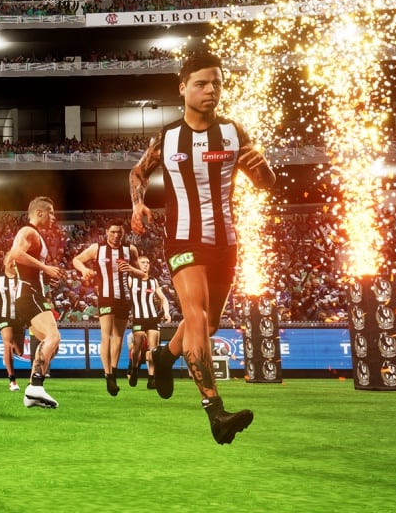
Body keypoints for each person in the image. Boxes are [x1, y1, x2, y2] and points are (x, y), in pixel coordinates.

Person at [130, 50, 276, 444]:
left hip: (225, 242)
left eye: (216, 83)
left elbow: (266, 183)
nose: (211, 90)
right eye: (201, 83)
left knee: (209, 324)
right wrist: (137, 203)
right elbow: (138, 173)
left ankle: (165, 356)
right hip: (182, 239)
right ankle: (215, 411)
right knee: (195, 317)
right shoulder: (168, 137)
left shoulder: (234, 132)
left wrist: (262, 165)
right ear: (183, 88)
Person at [5, 196, 65, 408]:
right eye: (51, 212)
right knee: (53, 337)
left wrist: (43, 276)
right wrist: (45, 268)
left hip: (31, 293)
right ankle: (35, 387)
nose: (54, 217)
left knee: (53, 345)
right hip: (29, 294)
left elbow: (13, 263)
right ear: (39, 213)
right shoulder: (28, 231)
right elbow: (15, 254)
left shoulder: (34, 235)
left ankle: (33, 392)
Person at [71, 220, 141, 396]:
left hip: (124, 298)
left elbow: (141, 273)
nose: (116, 236)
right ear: (107, 232)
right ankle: (108, 374)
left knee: (118, 337)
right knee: (106, 336)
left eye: (119, 233)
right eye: (113, 232)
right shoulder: (97, 248)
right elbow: (76, 260)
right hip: (106, 296)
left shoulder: (130, 249)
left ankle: (114, 372)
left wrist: (131, 269)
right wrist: (84, 270)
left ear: (123, 234)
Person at [126, 255, 171, 388]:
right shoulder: (131, 279)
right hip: (138, 318)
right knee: (137, 348)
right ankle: (134, 369)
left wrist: (167, 312)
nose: (146, 264)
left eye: (147, 262)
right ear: (137, 265)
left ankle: (151, 378)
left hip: (152, 317)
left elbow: (163, 298)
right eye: (143, 262)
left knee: (153, 350)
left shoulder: (153, 281)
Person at [0, 259, 23, 392]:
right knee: (7, 343)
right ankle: (12, 380)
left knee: (19, 352)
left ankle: (7, 356)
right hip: (4, 315)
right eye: (11, 262)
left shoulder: (22, 277)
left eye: (15, 263)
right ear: (6, 263)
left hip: (20, 317)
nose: (13, 265)